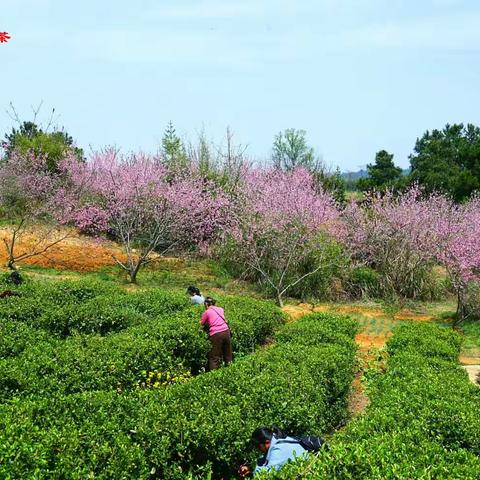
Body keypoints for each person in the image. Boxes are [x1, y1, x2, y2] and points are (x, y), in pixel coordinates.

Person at [239, 427, 308, 477]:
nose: (258, 449)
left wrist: (253, 471)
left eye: (258, 446)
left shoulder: (278, 449)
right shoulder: (278, 438)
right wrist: (250, 469)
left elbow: (264, 475)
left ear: (267, 442)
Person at [200, 296, 232, 371]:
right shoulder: (221, 309)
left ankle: (214, 375)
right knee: (228, 354)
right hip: (226, 331)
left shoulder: (207, 312)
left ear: (206, 304)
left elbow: (201, 324)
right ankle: (230, 371)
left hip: (216, 334)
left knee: (214, 356)